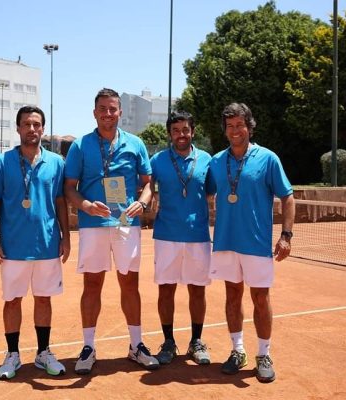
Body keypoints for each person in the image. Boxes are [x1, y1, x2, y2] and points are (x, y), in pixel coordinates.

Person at [64, 88, 159, 375]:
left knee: (130, 283)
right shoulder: (81, 146)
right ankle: (89, 347)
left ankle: (136, 345)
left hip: (125, 224)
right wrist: (86, 205)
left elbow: (147, 182)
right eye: (102, 109)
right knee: (92, 285)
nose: (108, 114)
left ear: (120, 112)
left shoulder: (136, 144)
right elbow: (69, 188)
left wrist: (142, 203)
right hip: (93, 225)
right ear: (95, 113)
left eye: (112, 109)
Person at [208, 103, 295, 383]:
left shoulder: (268, 158)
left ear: (249, 126)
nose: (235, 131)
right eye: (230, 126)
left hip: (257, 244)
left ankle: (263, 353)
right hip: (225, 242)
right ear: (225, 130)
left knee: (260, 297)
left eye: (240, 125)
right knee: (232, 295)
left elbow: (288, 197)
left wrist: (286, 235)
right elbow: (202, 190)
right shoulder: (216, 161)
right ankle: (237, 351)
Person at [0, 106, 70, 379]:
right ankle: (12, 354)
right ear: (18, 128)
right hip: (13, 247)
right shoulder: (2, 162)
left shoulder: (57, 162)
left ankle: (43, 353)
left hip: (47, 245)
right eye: (26, 124)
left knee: (44, 299)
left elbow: (60, 201)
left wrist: (66, 236)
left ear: (42, 129)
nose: (32, 129)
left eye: (36, 124)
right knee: (12, 301)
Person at [141, 111, 213, 366]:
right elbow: (149, 185)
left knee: (197, 289)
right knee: (166, 289)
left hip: (198, 236)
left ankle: (196, 341)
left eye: (185, 130)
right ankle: (169, 342)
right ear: (169, 134)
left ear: (193, 131)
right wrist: (142, 203)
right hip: (166, 236)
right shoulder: (158, 160)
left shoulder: (207, 160)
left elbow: (212, 192)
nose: (181, 135)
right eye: (175, 131)